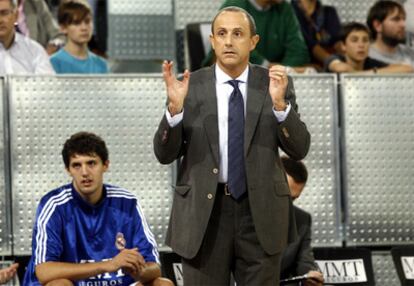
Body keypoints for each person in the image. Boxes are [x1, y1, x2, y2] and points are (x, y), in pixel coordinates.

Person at [154, 6, 310, 285]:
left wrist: (280, 105)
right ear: (212, 41)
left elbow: (299, 149)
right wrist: (174, 111)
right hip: (204, 214)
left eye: (238, 34)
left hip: (260, 212)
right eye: (222, 34)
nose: (228, 41)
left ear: (253, 42)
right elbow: (164, 154)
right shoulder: (191, 85)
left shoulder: (273, 83)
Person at [23, 132, 173, 286]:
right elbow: (44, 271)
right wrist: (108, 265)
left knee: (162, 284)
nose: (85, 172)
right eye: (76, 165)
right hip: (73, 284)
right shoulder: (54, 205)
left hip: (120, 283)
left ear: (105, 165)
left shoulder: (127, 202)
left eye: (91, 163)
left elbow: (154, 267)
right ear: (68, 170)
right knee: (58, 285)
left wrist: (139, 270)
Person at [203, 0, 310, 68]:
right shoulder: (234, 6)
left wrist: (282, 71)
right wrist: (270, 68)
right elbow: (232, 51)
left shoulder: (285, 9)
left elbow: (299, 51)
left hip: (273, 85)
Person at [280, 156, 323, 286]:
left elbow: (305, 261)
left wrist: (311, 276)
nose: (288, 204)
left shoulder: (302, 220)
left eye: (293, 199)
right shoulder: (243, 214)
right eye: (283, 196)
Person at [325, 22, 413, 73]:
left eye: (365, 40)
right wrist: (368, 75)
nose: (361, 45)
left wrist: (372, 73)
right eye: (354, 40)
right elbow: (341, 68)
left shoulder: (370, 62)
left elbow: (408, 68)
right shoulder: (335, 58)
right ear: (343, 46)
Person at [50, 0, 109, 73]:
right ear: (63, 28)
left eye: (87, 21)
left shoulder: (102, 65)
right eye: (76, 23)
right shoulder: (53, 63)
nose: (84, 28)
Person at [0, 0, 55, 74]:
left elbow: (47, 84)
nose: (0, 20)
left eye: (4, 13)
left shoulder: (35, 51)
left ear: (16, 16)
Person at [291, 0, 342, 68]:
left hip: (327, 68)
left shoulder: (329, 12)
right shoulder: (288, 11)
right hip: (297, 67)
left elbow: (338, 42)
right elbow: (309, 43)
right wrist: (332, 63)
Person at [367, 0, 414, 67]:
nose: (403, 25)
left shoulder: (411, 54)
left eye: (404, 19)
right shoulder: (364, 55)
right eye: (396, 19)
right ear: (377, 25)